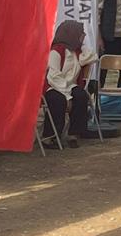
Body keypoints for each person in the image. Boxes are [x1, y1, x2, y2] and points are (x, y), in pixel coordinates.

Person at [41, 21, 98, 149]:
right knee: (58, 100)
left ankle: (73, 134)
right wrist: (67, 96)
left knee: (81, 95)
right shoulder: (56, 51)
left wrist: (83, 46)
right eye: (81, 32)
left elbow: (92, 57)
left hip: (69, 86)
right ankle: (50, 137)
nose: (83, 35)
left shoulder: (75, 51)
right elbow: (54, 76)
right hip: (53, 86)